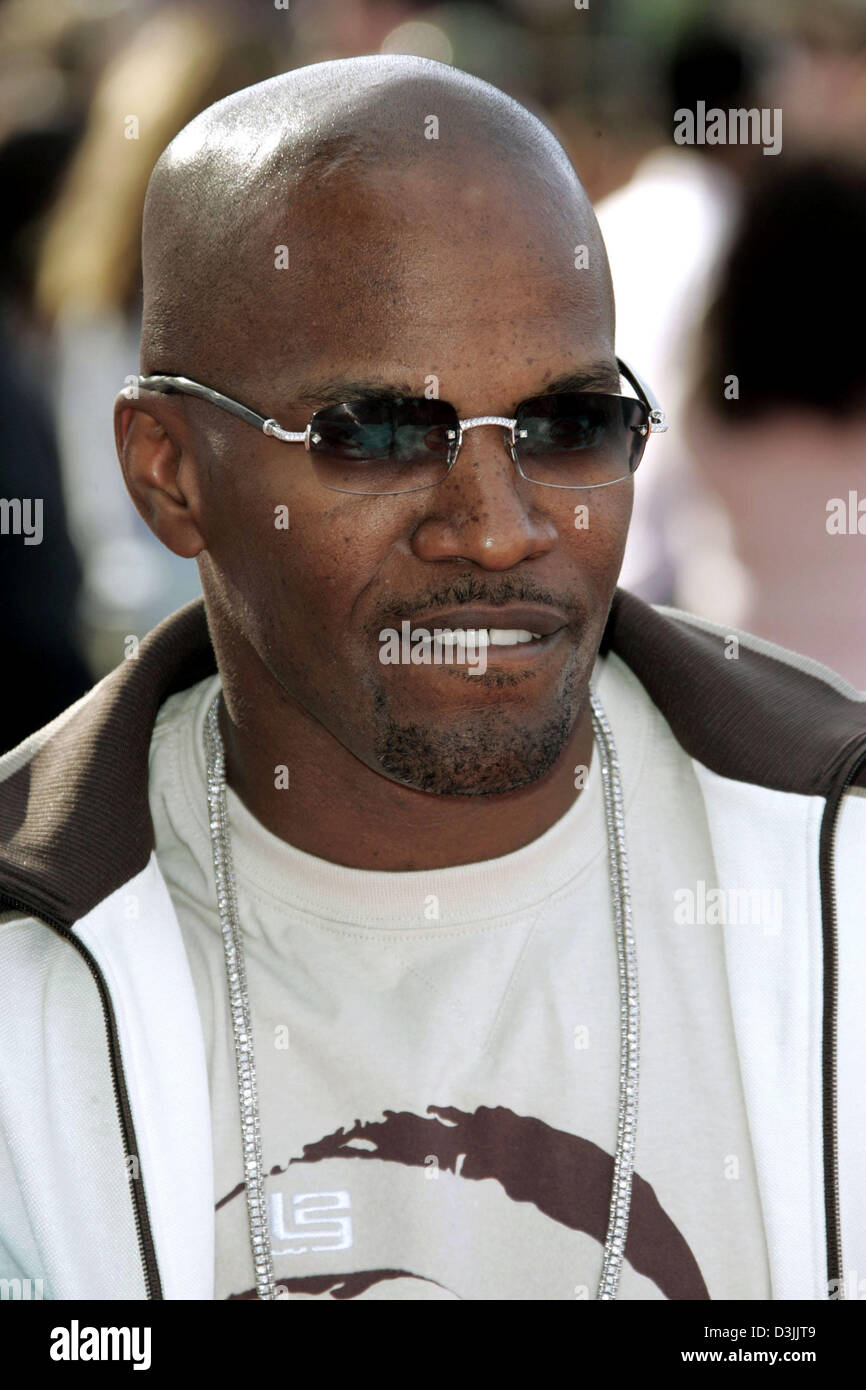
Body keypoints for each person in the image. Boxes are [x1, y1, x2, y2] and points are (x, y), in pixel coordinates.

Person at [0, 55, 863, 1303]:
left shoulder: (832, 862)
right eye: (381, 435)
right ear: (168, 471)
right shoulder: (32, 966)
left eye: (567, 422)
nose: (498, 525)